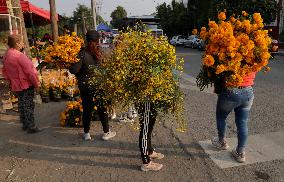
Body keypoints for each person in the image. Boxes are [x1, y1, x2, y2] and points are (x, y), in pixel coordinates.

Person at [69, 30, 116, 141]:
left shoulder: (82, 53)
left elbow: (74, 70)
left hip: (85, 86)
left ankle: (86, 134)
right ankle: (106, 132)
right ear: (97, 40)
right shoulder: (101, 53)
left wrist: (69, 65)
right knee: (102, 108)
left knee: (87, 109)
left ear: (86, 40)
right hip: (99, 85)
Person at [211, 72, 256, 163]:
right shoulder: (255, 58)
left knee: (221, 117)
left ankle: (222, 142)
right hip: (248, 91)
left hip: (230, 91)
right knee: (242, 122)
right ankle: (240, 152)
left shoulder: (231, 57)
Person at [2, 35, 42, 133]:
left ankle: (25, 124)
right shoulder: (19, 56)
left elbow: (5, 71)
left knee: (21, 104)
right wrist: (36, 84)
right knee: (28, 104)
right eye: (22, 42)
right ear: (17, 44)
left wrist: (10, 80)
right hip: (25, 83)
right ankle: (31, 126)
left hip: (16, 84)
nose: (23, 44)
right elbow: (31, 72)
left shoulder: (7, 55)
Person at [137, 102, 164, 171]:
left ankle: (149, 151)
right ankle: (146, 163)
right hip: (145, 99)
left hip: (151, 99)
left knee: (149, 126)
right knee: (145, 129)